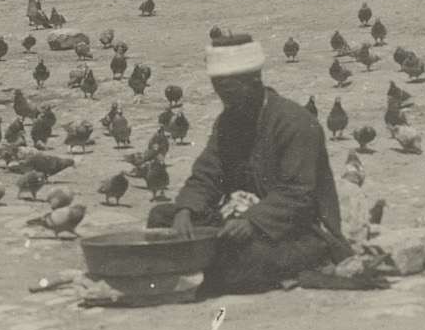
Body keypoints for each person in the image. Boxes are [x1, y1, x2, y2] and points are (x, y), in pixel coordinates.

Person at [148, 33, 347, 295]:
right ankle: (203, 265)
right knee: (162, 218)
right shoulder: (229, 121)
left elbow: (299, 194)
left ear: (253, 81)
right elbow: (207, 173)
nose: (225, 100)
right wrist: (186, 209)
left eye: (230, 92)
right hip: (236, 223)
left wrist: (253, 222)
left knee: (243, 261)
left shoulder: (295, 122)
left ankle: (205, 268)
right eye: (220, 92)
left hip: (295, 232)